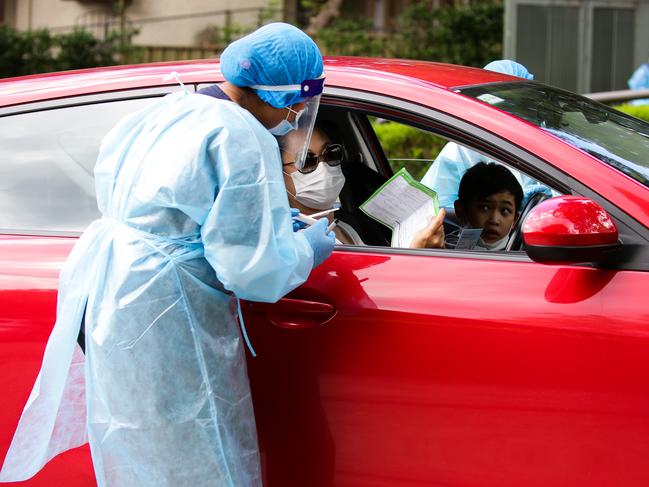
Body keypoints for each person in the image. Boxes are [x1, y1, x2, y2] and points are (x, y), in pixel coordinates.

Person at [0, 23, 335, 487]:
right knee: (198, 451)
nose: (299, 113)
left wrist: (269, 228)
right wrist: (305, 248)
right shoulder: (240, 134)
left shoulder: (167, 110)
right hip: (166, 311)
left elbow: (173, 213)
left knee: (138, 450)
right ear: (281, 93)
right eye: (300, 101)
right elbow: (252, 271)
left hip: (112, 295)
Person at [279, 124, 446, 249]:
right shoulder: (294, 246)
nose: (324, 166)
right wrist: (415, 255)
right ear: (278, 172)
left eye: (330, 153)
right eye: (307, 161)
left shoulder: (348, 226)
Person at [420, 60, 550, 209]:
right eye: (505, 102)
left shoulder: (548, 142)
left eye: (521, 102)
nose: (511, 112)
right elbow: (433, 207)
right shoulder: (463, 149)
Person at [447, 162, 523, 251]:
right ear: (461, 211)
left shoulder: (521, 257)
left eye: (505, 211)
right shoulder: (442, 250)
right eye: (484, 208)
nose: (494, 220)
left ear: (515, 220)